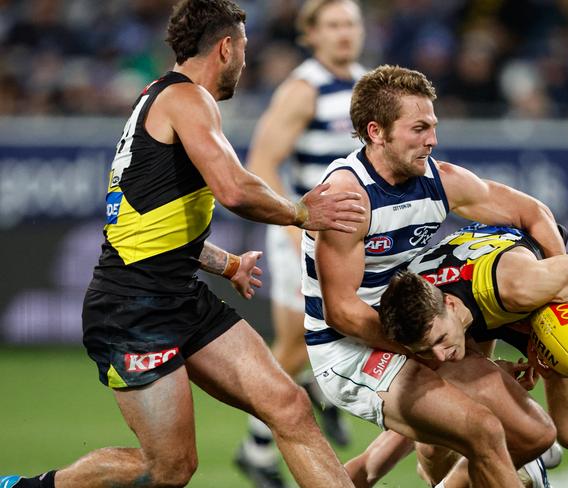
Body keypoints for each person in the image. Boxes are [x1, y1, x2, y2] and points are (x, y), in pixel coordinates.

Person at [0, 1, 365, 487]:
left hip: (180, 296)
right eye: (244, 50)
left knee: (288, 405)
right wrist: (301, 212)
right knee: (170, 468)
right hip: (132, 309)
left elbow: (148, 225)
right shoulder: (187, 100)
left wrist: (226, 262)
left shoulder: (160, 99)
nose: (245, 62)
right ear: (225, 47)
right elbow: (234, 188)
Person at [302, 64, 568, 488]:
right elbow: (342, 312)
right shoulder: (349, 198)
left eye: (433, 126)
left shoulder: (439, 180)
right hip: (350, 350)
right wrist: (431, 347)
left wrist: (559, 301)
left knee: (536, 436)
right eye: (419, 128)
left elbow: (533, 213)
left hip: (415, 329)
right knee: (483, 431)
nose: (432, 139)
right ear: (376, 132)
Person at [351, 222, 568, 488]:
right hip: (474, 313)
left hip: (530, 303)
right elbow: (411, 426)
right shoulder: (413, 322)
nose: (438, 356)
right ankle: (521, 460)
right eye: (425, 350)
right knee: (432, 452)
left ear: (450, 305)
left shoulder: (521, 285)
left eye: (439, 341)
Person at [238, 0, 365, 485]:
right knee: (294, 346)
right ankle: (258, 450)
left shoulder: (368, 83)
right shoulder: (303, 89)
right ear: (310, 35)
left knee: (340, 331)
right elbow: (263, 163)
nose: (343, 33)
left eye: (350, 23)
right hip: (303, 231)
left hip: (351, 238)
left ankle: (321, 390)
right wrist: (294, 227)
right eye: (332, 25)